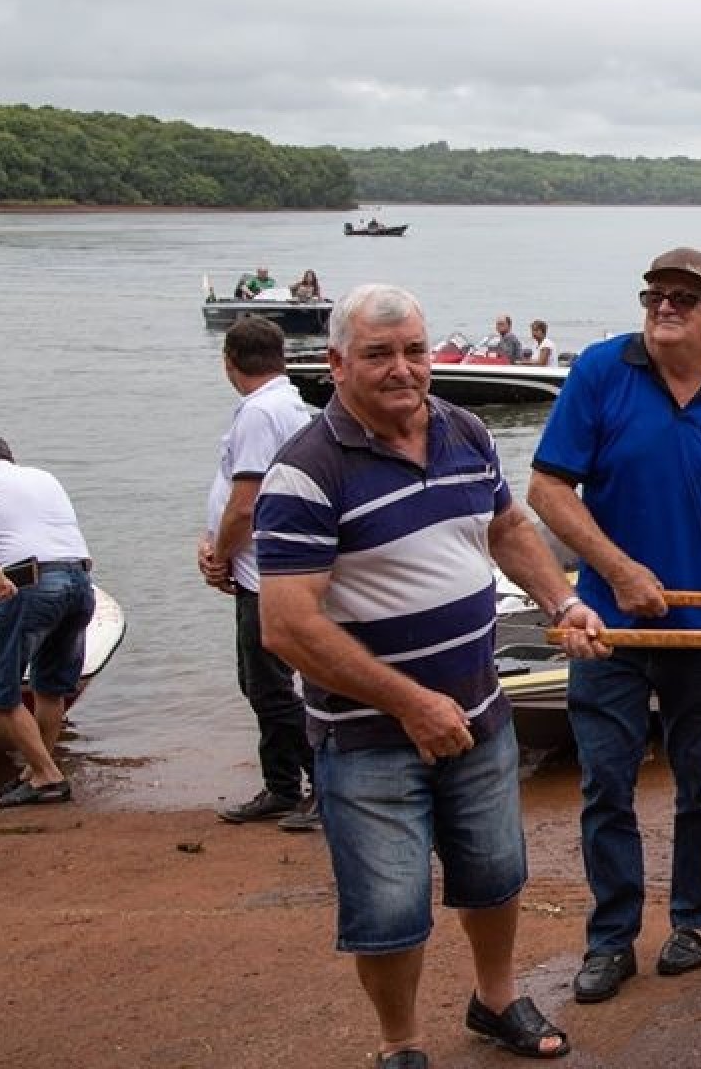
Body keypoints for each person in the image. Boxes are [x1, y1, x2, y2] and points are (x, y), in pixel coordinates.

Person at [256, 283, 605, 1066]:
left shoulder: (465, 430)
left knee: (495, 875)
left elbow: (507, 527)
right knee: (388, 906)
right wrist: (411, 703)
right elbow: (287, 625)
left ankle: (495, 999)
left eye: (414, 350)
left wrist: (561, 599)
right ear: (337, 364)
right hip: (368, 735)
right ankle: (400, 1042)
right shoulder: (305, 473)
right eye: (379, 355)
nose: (403, 370)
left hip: (480, 713)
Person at [528, 247, 701, 1006]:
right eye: (656, 294)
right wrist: (616, 572)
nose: (666, 306)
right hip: (606, 629)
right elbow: (548, 489)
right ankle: (611, 939)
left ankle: (692, 923)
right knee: (606, 784)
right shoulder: (600, 373)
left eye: (686, 296)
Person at [199, 317, 319, 831]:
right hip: (275, 563)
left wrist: (221, 554)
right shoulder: (290, 405)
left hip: (261, 569)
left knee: (267, 684)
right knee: (266, 682)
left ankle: (317, 784)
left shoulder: (259, 412)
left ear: (229, 361)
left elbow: (246, 502)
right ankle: (285, 784)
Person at [0, 434, 95, 809]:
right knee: (49, 687)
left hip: (33, 584)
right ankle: (38, 773)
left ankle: (46, 775)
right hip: (81, 581)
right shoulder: (42, 478)